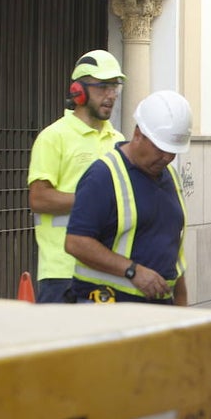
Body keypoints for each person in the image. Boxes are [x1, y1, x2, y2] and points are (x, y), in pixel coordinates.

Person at [64, 90, 191, 306]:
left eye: (173, 151)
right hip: (110, 307)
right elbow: (76, 242)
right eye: (160, 149)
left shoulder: (170, 176)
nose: (167, 157)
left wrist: (183, 312)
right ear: (139, 134)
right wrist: (133, 271)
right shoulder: (103, 175)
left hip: (159, 309)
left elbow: (173, 253)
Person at [27, 50, 126, 303]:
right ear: (78, 91)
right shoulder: (53, 137)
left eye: (115, 86)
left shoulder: (118, 141)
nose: (111, 95)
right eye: (103, 86)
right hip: (62, 274)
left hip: (108, 269)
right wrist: (92, 200)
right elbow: (39, 199)